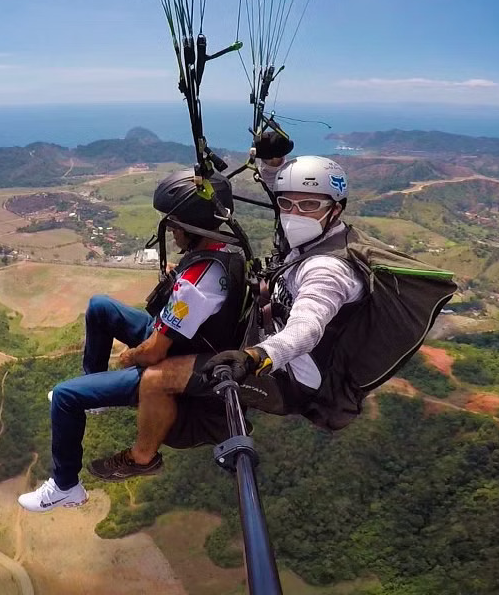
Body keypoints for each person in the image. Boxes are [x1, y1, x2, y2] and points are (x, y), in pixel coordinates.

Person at [87, 153, 367, 481]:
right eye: (287, 204)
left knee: (156, 377)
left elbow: (307, 327)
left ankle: (142, 457)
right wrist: (273, 164)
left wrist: (256, 356)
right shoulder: (308, 237)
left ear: (337, 209)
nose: (295, 214)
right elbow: (286, 204)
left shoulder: (327, 269)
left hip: (288, 377)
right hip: (261, 340)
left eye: (309, 205)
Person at [17, 170, 248, 512]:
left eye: (175, 225)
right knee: (100, 307)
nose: (172, 231)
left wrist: (130, 357)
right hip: (186, 337)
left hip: (178, 355)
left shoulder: (197, 283)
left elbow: (154, 352)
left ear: (193, 224)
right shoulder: (222, 252)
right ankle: (96, 397)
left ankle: (65, 486)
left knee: (65, 397)